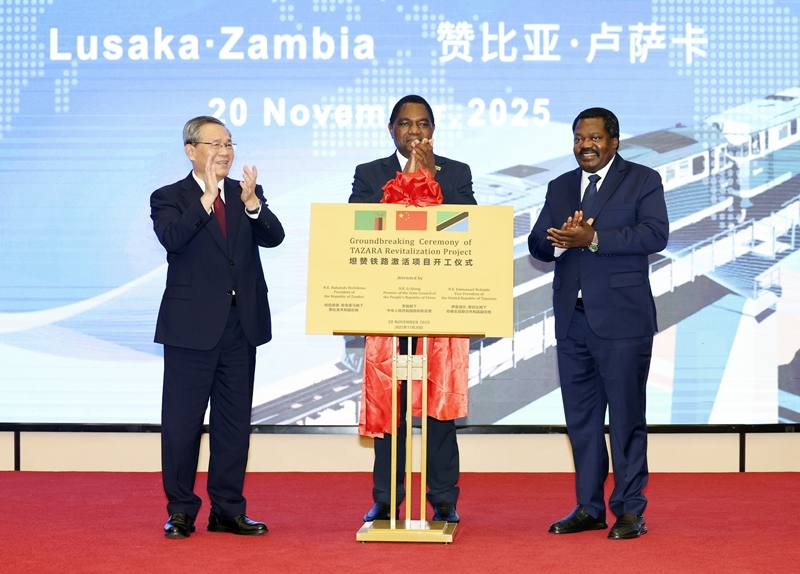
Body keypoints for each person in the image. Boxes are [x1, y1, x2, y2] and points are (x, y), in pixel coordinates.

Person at [528, 107, 668, 539]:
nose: (584, 145)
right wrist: (556, 238)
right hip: (573, 322)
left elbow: (654, 235)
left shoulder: (643, 180)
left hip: (624, 321)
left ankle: (629, 509)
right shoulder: (560, 186)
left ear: (614, 141)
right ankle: (589, 507)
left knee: (626, 418)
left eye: (593, 138)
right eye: (578, 138)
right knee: (582, 422)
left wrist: (594, 239)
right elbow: (538, 245)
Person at [150, 116, 285, 539]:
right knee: (182, 424)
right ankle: (181, 510)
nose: (225, 151)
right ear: (192, 150)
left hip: (240, 326)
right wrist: (206, 200)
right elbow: (173, 239)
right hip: (191, 328)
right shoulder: (169, 197)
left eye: (229, 143)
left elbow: (274, 236)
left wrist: (252, 206)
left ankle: (228, 509)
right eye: (215, 144)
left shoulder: (245, 193)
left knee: (233, 424)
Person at [349, 94, 476, 523]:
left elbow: (469, 228)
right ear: (392, 130)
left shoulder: (456, 173)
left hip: (437, 310)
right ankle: (388, 496)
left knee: (438, 408)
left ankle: (443, 498)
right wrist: (408, 184)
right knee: (391, 404)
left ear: (433, 131)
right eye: (406, 124)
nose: (415, 132)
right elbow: (357, 226)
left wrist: (430, 180)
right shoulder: (369, 174)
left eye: (422, 124)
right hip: (388, 308)